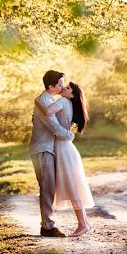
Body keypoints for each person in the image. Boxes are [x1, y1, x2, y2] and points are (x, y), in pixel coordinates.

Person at [38, 81, 94, 237]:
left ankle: (82, 224)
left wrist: (39, 102)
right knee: (73, 185)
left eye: (67, 88)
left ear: (72, 94)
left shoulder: (62, 101)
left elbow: (48, 112)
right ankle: (85, 222)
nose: (63, 88)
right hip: (66, 147)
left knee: (71, 186)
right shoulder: (68, 102)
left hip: (63, 148)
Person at [29, 70, 75, 237]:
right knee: (47, 187)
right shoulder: (44, 100)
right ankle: (48, 226)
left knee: (49, 187)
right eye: (60, 84)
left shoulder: (49, 100)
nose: (62, 86)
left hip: (47, 149)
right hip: (42, 149)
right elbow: (55, 128)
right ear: (51, 86)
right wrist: (71, 136)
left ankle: (47, 224)